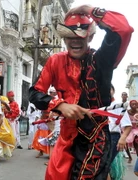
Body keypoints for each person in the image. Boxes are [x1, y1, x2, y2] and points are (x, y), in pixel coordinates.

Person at [28, 5, 133, 179]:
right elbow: (35, 92)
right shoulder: (56, 61)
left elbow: (124, 29)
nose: (75, 40)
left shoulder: (102, 60)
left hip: (95, 137)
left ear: (90, 37)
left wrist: (88, 9)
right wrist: (60, 105)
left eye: (81, 35)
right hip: (66, 137)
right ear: (64, 38)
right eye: (70, 36)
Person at [107, 85, 131, 180]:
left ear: (113, 91)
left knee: (104, 166)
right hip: (97, 137)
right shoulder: (95, 104)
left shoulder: (118, 105)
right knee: (102, 167)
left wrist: (123, 138)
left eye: (108, 88)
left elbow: (128, 125)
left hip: (113, 137)